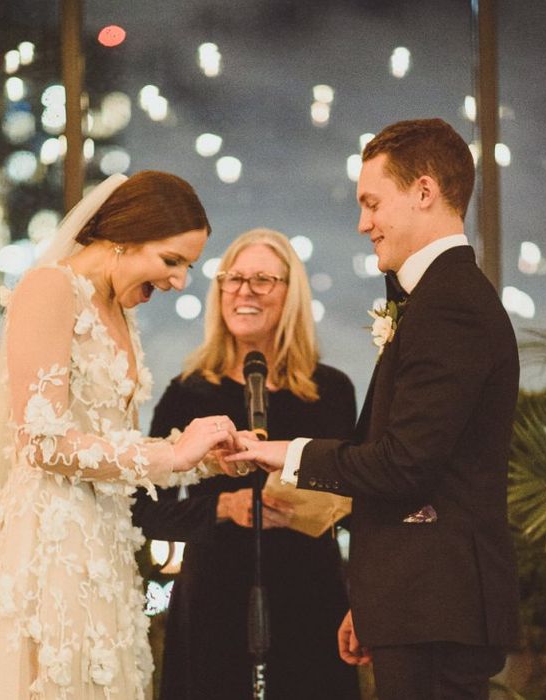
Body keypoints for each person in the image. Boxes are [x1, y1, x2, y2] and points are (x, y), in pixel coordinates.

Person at [0, 171, 244, 700]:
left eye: (187, 267)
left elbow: (109, 441)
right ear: (125, 236)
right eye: (171, 261)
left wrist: (203, 459)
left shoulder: (122, 312)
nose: (179, 282)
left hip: (105, 545)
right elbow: (42, 443)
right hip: (45, 546)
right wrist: (174, 453)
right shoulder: (50, 288)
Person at [230, 120, 521, 700]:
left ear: (424, 191)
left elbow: (402, 465)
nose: (363, 224)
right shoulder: (436, 299)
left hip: (437, 608)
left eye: (372, 203)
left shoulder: (451, 306)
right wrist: (371, 601)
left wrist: (286, 454)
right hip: (414, 606)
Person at [132, 228, 360, 699]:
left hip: (310, 593)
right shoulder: (189, 391)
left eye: (262, 280)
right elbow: (142, 508)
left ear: (290, 293)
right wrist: (222, 508)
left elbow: (358, 489)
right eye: (232, 279)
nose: (243, 291)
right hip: (215, 595)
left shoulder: (331, 391)